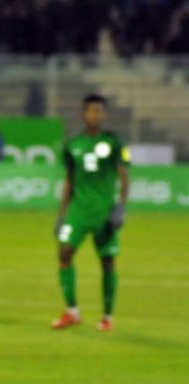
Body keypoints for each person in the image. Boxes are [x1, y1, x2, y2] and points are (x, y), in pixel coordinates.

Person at [52, 94, 130, 332]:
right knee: (64, 253)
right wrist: (62, 214)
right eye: (91, 110)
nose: (94, 115)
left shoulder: (114, 143)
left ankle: (107, 316)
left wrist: (120, 208)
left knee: (107, 261)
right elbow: (69, 180)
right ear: (83, 114)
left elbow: (124, 177)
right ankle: (72, 311)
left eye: (99, 111)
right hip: (78, 210)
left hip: (103, 211)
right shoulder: (73, 145)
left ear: (104, 114)